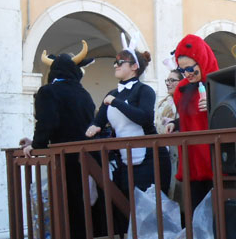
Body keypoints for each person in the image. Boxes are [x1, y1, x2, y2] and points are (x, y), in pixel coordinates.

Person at [20, 40, 96, 239]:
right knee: (82, 211)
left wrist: (38, 145)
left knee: (65, 211)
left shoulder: (48, 91)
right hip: (87, 159)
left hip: (64, 160)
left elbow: (47, 122)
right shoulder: (83, 93)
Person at [85, 48, 171, 206]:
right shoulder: (112, 93)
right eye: (114, 62)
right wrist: (93, 127)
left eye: (120, 62)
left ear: (134, 66)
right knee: (128, 207)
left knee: (152, 209)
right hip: (125, 162)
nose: (115, 66)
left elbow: (144, 118)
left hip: (151, 159)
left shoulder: (144, 90)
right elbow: (99, 120)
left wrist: (116, 103)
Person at [166, 34, 220, 210]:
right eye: (182, 70)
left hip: (215, 163)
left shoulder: (220, 83)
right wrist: (175, 122)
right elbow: (187, 116)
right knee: (194, 213)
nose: (186, 74)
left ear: (202, 61)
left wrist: (214, 105)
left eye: (190, 69)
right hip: (191, 163)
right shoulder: (181, 89)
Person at [155, 69, 182, 200]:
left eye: (172, 80)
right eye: (167, 80)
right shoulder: (164, 101)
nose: (168, 83)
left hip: (178, 150)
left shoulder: (182, 100)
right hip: (163, 149)